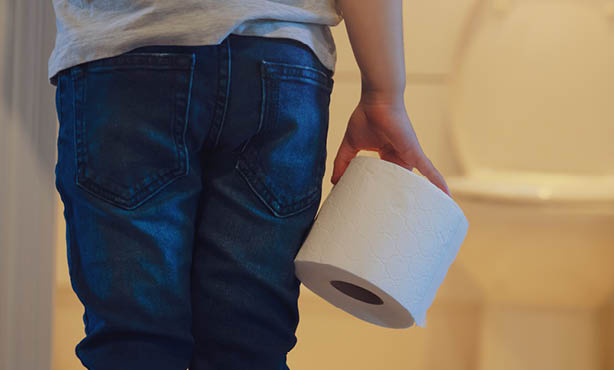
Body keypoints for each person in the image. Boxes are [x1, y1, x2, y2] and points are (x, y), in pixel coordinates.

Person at [49, 0, 451, 369]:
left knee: (134, 341)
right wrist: (383, 95)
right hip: (279, 66)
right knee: (248, 339)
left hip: (127, 53)